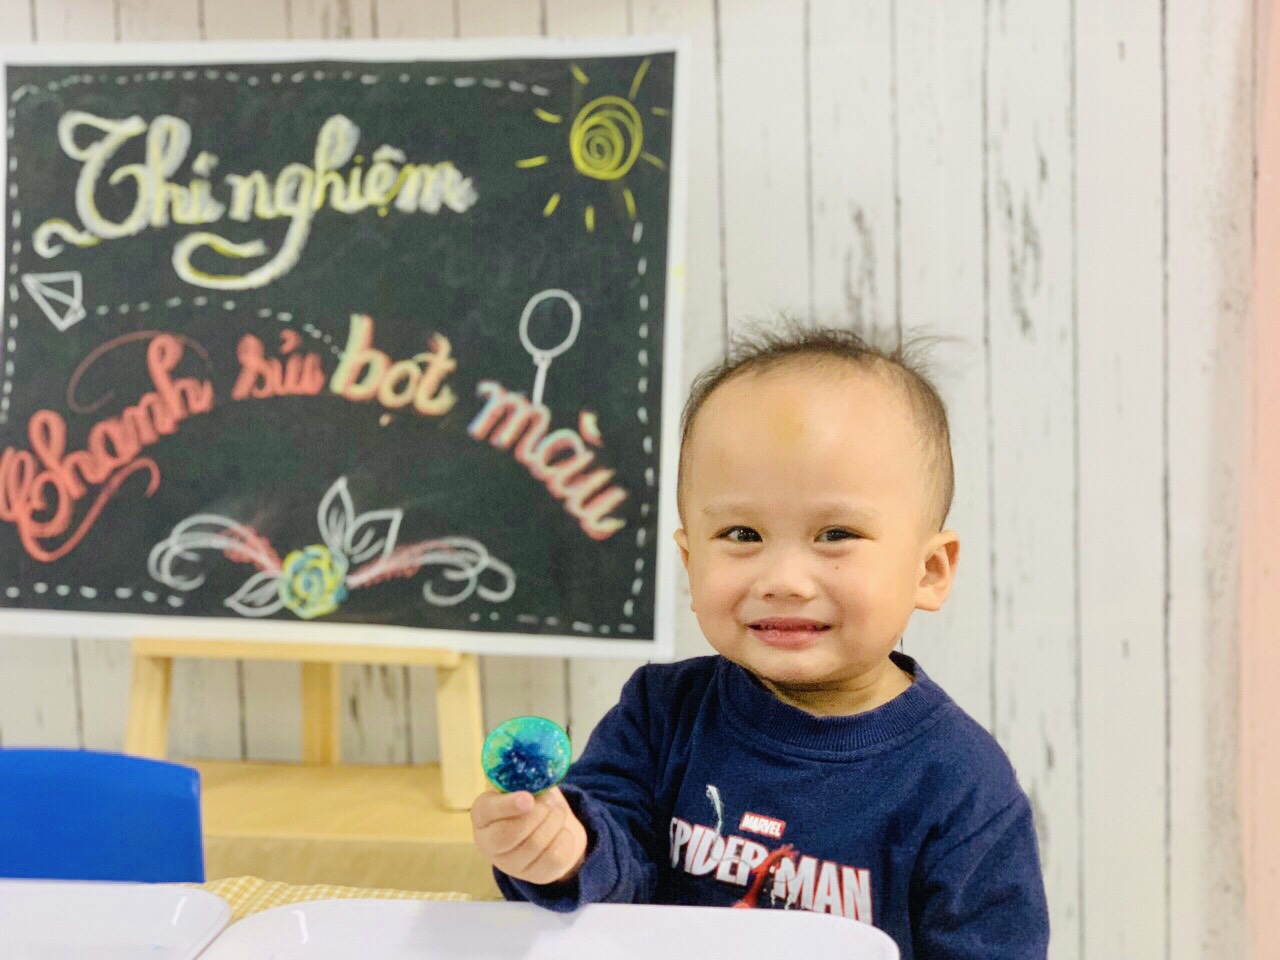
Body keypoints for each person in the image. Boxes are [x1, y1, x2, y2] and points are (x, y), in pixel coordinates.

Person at [470, 326, 1050, 959]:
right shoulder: (662, 714)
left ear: (929, 571)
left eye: (836, 534)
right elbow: (614, 867)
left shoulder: (961, 784)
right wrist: (560, 850)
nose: (783, 580)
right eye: (742, 535)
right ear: (690, 561)